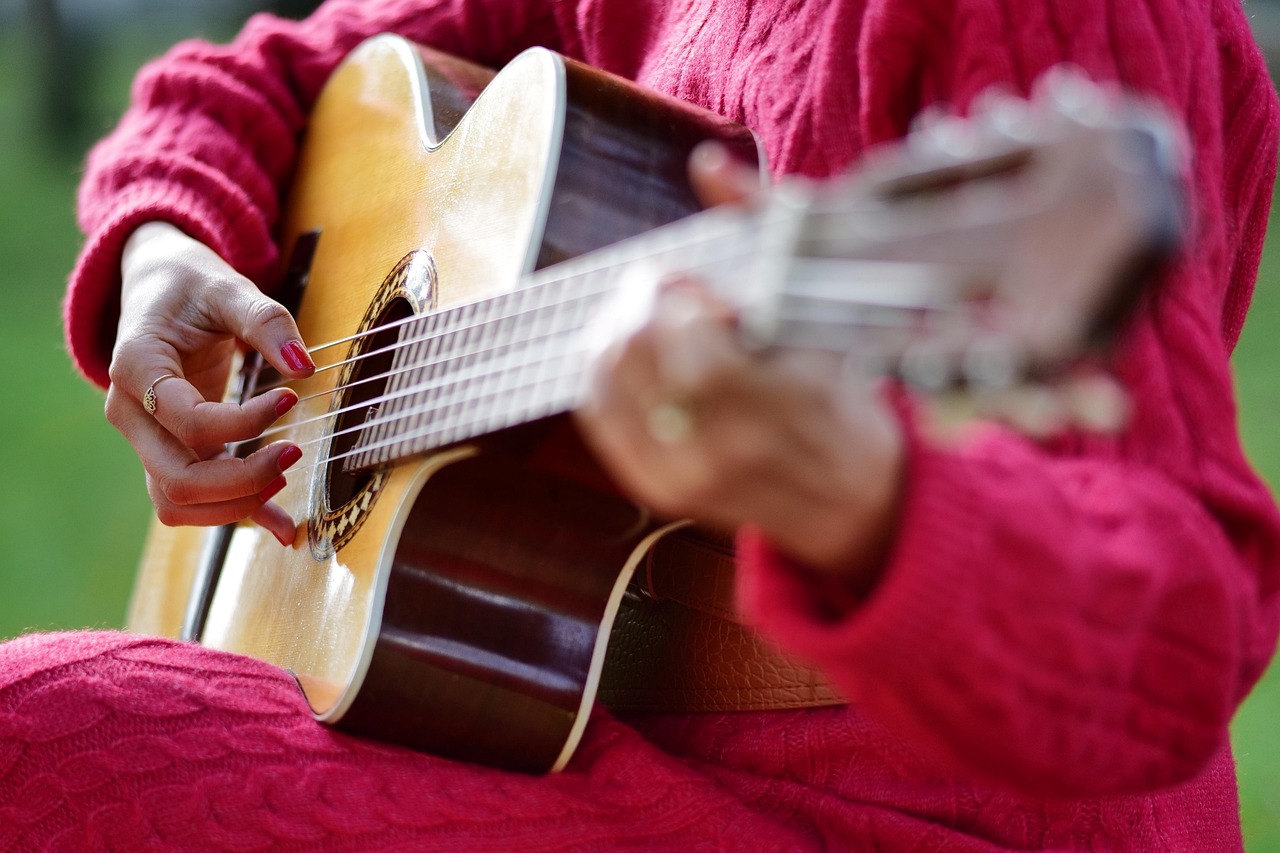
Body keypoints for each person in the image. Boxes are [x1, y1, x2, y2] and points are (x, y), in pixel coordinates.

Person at [2, 0, 1276, 847]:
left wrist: (867, 500)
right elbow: (267, 71)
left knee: (44, 736)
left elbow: (1168, 639)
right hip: (592, 738)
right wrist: (163, 247)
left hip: (885, 814)